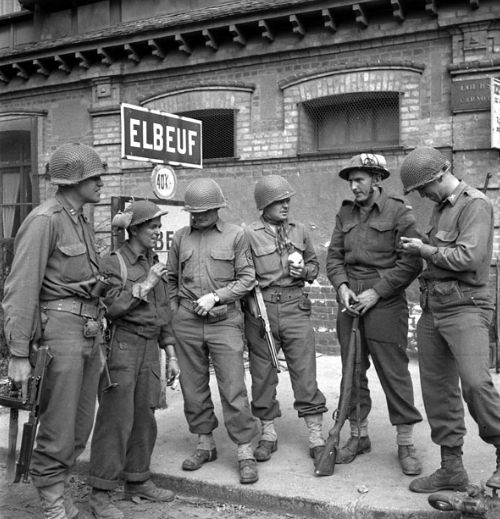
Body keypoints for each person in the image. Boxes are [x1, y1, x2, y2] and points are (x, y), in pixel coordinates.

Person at [2, 142, 107, 519]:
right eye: (94, 177)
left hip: (88, 330)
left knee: (80, 423)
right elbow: (21, 286)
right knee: (59, 422)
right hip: (60, 332)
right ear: (73, 180)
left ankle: (58, 487)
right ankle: (51, 502)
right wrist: (18, 354)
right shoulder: (45, 219)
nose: (101, 181)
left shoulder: (79, 219)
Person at [399, 146, 500, 493]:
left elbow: (469, 258)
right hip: (433, 307)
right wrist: (421, 244)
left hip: (467, 305)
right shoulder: (440, 210)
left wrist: (425, 250)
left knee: (475, 383)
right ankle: (452, 468)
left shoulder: (475, 205)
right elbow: (442, 253)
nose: (422, 195)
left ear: (438, 176)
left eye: (423, 187)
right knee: (438, 390)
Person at [326, 153, 423, 476]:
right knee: (352, 370)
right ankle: (358, 437)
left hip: (385, 302)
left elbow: (411, 262)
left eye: (359, 180)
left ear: (377, 179)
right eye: (350, 181)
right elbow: (334, 256)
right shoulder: (344, 212)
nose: (353, 187)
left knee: (394, 372)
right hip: (350, 300)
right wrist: (341, 286)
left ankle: (406, 443)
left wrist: (377, 291)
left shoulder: (399, 212)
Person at [88, 200, 178, 519]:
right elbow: (109, 307)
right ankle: (100, 492)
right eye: (152, 226)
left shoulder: (154, 261)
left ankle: (137, 479)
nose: (157, 231)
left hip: (150, 348)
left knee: (145, 415)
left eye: (158, 226)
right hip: (122, 345)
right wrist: (148, 282)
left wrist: (170, 353)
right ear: (135, 229)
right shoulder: (113, 263)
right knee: (115, 419)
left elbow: (163, 311)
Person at [166, 178, 259, 485]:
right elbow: (170, 278)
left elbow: (247, 279)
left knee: (233, 388)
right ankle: (205, 444)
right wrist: (176, 311)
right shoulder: (180, 237)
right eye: (194, 212)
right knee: (193, 388)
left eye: (205, 211)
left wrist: (217, 296)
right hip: (188, 323)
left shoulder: (236, 235)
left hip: (225, 322)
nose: (198, 216)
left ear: (218, 208)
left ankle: (245, 451)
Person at [243, 175, 328, 465]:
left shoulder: (300, 230)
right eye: (279, 201)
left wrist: (305, 271)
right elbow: (241, 274)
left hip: (295, 306)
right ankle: (268, 434)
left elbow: (315, 266)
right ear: (264, 205)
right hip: (262, 310)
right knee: (262, 375)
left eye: (287, 200)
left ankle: (316, 436)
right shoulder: (248, 234)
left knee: (305, 372)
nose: (285, 205)